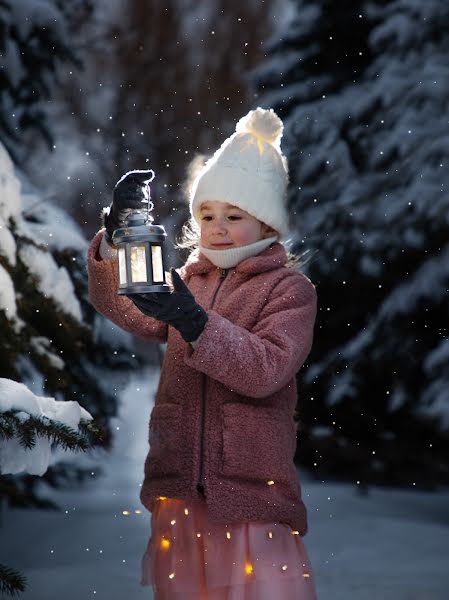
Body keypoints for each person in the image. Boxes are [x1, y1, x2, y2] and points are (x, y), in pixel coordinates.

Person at [87, 107, 318, 599]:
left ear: (267, 225)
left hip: (250, 494)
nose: (217, 227)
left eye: (234, 217)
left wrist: (195, 323)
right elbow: (130, 310)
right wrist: (118, 239)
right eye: (207, 215)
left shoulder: (288, 290)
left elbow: (266, 369)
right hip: (180, 490)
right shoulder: (190, 280)